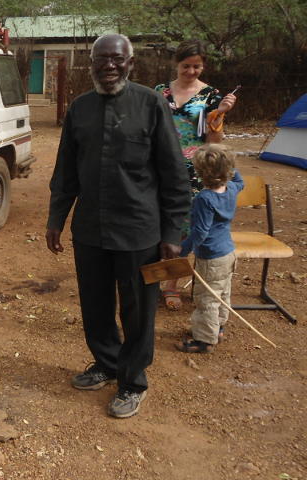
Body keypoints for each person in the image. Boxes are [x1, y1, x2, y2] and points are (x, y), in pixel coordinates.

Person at [45, 34, 191, 419]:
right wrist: (56, 219)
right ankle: (107, 363)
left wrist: (172, 233)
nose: (108, 66)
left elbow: (174, 174)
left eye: (116, 59)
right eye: (100, 60)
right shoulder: (80, 109)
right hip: (91, 229)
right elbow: (65, 172)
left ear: (130, 64)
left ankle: (132, 381)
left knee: (138, 311)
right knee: (95, 305)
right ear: (90, 64)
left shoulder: (151, 104)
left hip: (139, 230)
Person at [154, 40, 238, 310]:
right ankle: (150, 276)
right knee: (156, 223)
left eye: (197, 66)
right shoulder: (160, 92)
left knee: (184, 227)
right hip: (159, 167)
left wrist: (220, 114)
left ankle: (172, 285)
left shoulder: (211, 95)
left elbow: (213, 139)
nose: (191, 71)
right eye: (186, 66)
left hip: (194, 171)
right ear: (176, 64)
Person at [176, 144, 243, 353]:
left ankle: (204, 340)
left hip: (211, 257)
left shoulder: (205, 198)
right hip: (228, 253)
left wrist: (184, 249)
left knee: (206, 299)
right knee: (222, 293)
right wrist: (228, 167)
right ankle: (218, 328)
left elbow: (200, 232)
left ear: (201, 172)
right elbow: (240, 180)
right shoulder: (231, 187)